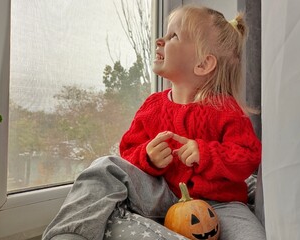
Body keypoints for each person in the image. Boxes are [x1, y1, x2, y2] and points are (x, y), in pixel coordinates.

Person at [43, 4, 265, 240]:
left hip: (222, 204)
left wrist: (206, 153)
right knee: (105, 167)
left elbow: (249, 157)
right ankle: (71, 233)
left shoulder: (226, 109)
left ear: (202, 64)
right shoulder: (153, 106)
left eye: (173, 36)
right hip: (162, 195)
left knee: (252, 236)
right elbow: (127, 151)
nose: (160, 40)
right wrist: (148, 157)